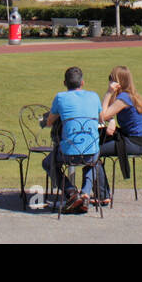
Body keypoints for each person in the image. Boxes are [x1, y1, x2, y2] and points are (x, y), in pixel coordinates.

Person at [41, 66, 102, 213]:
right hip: (91, 150)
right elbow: (101, 118)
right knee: (94, 161)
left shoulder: (61, 97)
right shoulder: (94, 96)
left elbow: (49, 122)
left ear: (64, 83)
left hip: (68, 153)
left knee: (48, 163)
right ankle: (85, 193)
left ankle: (71, 192)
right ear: (82, 82)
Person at [92, 65, 142, 204]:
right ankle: (99, 191)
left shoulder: (124, 98)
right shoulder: (129, 95)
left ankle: (102, 194)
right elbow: (108, 115)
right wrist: (112, 120)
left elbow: (103, 115)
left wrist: (108, 93)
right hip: (137, 139)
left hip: (134, 143)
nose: (109, 82)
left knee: (92, 152)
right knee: (97, 141)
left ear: (117, 81)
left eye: (111, 79)